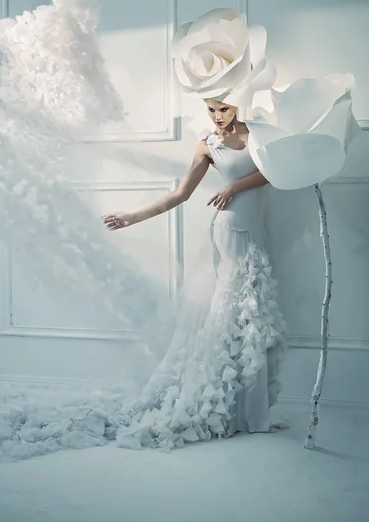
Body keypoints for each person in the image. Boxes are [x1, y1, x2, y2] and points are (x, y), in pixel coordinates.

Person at [103, 99, 288, 450]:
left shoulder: (259, 135)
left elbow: (274, 171)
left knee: (250, 318)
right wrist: (132, 217)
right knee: (230, 313)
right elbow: (181, 193)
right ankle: (225, 406)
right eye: (212, 110)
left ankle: (247, 412)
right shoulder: (207, 145)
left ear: (240, 104)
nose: (218, 117)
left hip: (254, 231)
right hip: (230, 232)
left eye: (225, 109)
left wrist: (235, 186)